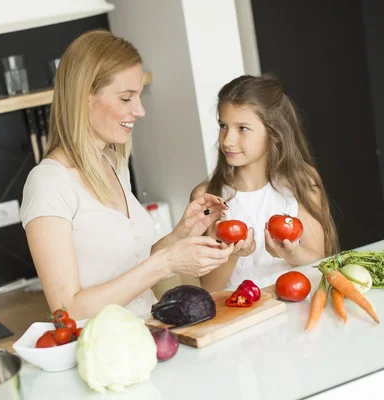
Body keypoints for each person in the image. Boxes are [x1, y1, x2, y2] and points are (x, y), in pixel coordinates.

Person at [19, 30, 234, 320]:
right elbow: (66, 310)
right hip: (106, 350)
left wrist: (180, 234)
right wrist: (168, 262)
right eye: (125, 98)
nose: (140, 110)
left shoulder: (113, 164)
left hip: (150, 331)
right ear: (84, 97)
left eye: (138, 96)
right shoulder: (48, 183)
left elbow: (130, 267)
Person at [191, 75, 339, 292]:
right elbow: (210, 287)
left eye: (242, 128)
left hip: (297, 309)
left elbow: (322, 262)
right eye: (223, 126)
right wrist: (232, 255)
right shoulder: (207, 196)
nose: (227, 140)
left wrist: (291, 253)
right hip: (241, 315)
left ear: (274, 132)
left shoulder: (301, 184)